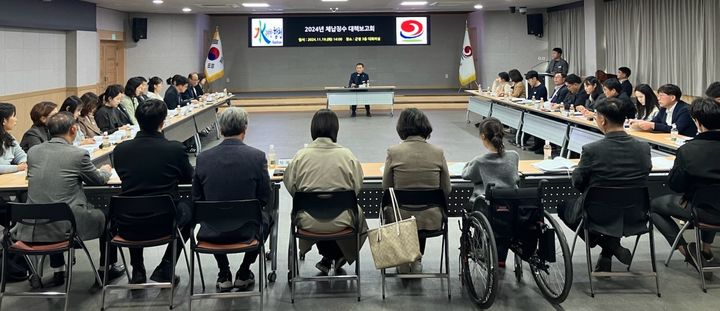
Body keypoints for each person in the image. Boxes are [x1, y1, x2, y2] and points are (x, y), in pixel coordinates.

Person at [13, 112, 124, 287]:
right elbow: (98, 180)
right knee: (108, 214)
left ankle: (58, 270)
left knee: (50, 206)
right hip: (67, 225)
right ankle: (105, 269)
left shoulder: (34, 152)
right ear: (73, 129)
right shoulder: (78, 155)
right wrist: (107, 169)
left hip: (32, 224)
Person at [558, 98, 652, 272]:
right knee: (613, 203)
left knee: (563, 207)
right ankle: (609, 249)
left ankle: (607, 243)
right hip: (635, 213)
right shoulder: (643, 147)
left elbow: (578, 182)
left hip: (597, 214)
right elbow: (646, 172)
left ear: (602, 120)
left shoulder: (592, 149)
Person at [113, 99, 194, 286]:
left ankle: (138, 269)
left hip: (127, 224)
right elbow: (188, 178)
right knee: (191, 211)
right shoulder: (175, 149)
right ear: (162, 122)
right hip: (165, 222)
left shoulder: (121, 150)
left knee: (135, 200)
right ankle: (167, 266)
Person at [192, 107, 272, 292]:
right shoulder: (257, 157)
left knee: (211, 214)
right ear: (245, 129)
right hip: (247, 231)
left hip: (211, 232)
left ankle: (223, 272)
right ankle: (244, 272)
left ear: (220, 129)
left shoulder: (203, 158)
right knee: (268, 218)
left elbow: (197, 198)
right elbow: (264, 198)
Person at [283, 109, 367, 274]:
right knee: (351, 214)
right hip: (342, 221)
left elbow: (291, 186)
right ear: (335, 129)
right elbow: (356, 187)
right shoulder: (347, 156)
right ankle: (338, 254)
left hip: (308, 221)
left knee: (320, 212)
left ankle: (328, 256)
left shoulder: (300, 157)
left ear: (313, 129)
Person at [650, 98, 720, 278]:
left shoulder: (688, 151)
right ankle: (705, 249)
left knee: (654, 206)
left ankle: (688, 252)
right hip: (712, 206)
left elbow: (675, 185)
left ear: (696, 121)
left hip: (702, 210)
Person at [382, 108, 451, 273]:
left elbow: (386, 188)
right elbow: (446, 188)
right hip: (432, 218)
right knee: (422, 214)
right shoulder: (438, 152)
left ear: (402, 128)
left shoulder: (393, 152)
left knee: (405, 213)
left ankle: (404, 259)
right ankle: (417, 258)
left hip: (400, 218)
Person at [462, 117, 519, 267]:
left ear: (482, 136)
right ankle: (501, 257)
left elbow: (467, 174)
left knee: (470, 207)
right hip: (512, 206)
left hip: (488, 207)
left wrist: (469, 163)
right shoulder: (514, 156)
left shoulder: (480, 161)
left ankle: (478, 245)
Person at [629, 84, 697, 137]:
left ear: (672, 97)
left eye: (661, 96)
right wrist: (639, 122)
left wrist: (653, 125)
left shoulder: (685, 110)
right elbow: (655, 122)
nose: (658, 98)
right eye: (658, 96)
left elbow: (676, 129)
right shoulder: (664, 108)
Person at [0, 103, 28, 174]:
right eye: (13, 116)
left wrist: (23, 162)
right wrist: (18, 168)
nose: (16, 119)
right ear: (4, 121)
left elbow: (22, 156)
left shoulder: (9, 137)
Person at [525, 70, 548, 154]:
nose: (529, 82)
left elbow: (540, 100)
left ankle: (540, 145)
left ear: (534, 78)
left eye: (529, 80)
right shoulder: (533, 87)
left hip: (540, 112)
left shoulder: (542, 88)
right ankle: (536, 144)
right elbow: (529, 98)